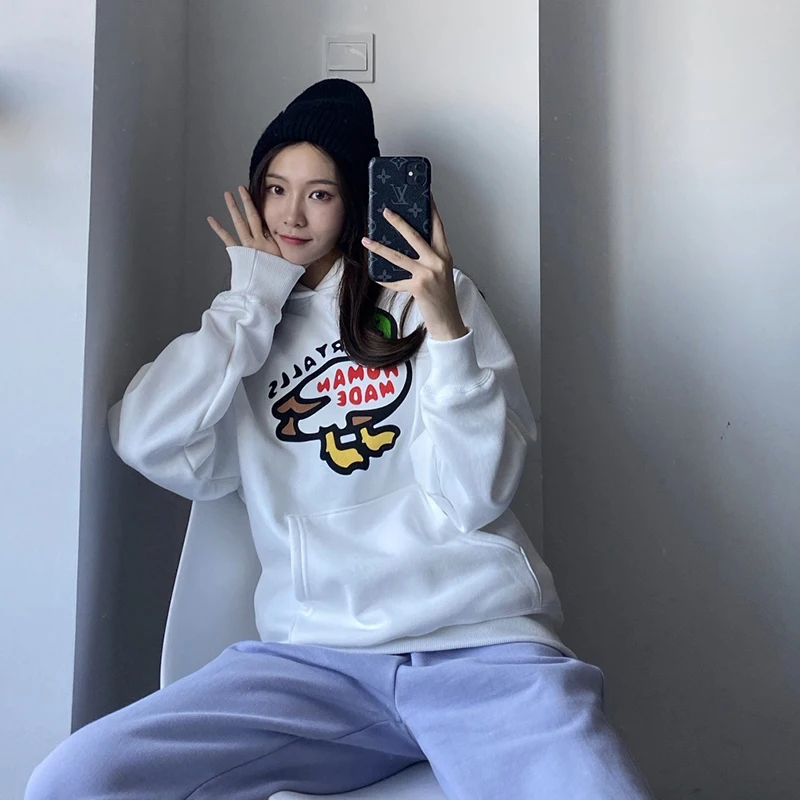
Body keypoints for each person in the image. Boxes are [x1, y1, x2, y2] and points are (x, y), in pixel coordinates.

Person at [26, 79, 654, 800]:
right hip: (314, 670)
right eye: (275, 189)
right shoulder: (248, 330)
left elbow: (475, 493)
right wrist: (251, 299)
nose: (291, 214)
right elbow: (143, 438)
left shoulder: (434, 297)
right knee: (76, 780)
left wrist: (446, 327)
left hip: (479, 649)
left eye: (319, 193)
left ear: (355, 199)